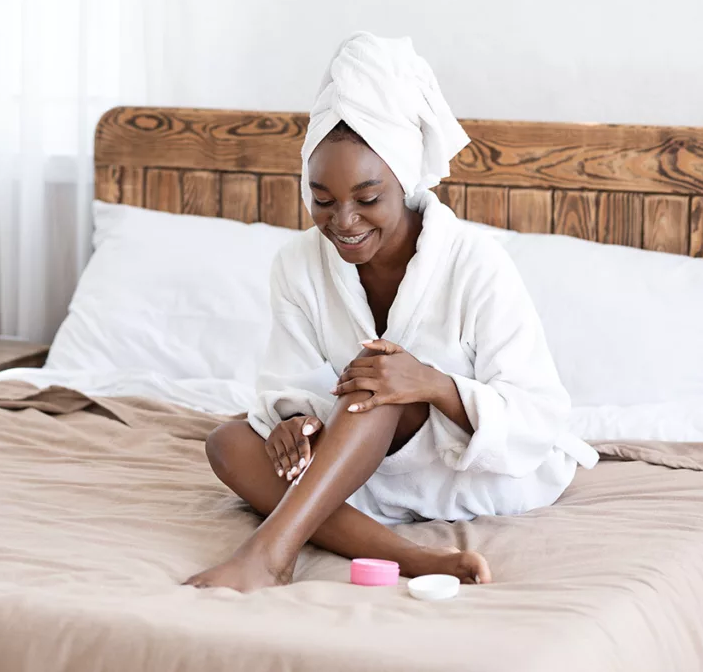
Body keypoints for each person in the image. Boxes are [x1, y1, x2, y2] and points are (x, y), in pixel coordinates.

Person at [184, 33, 598, 592]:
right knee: (228, 443)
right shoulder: (298, 264)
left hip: (466, 473)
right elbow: (291, 382)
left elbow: (537, 412)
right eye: (323, 200)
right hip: (352, 469)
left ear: (402, 181)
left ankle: (270, 553)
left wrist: (430, 384)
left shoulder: (476, 263)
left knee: (376, 379)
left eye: (368, 198)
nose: (344, 221)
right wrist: (293, 422)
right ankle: (413, 557)